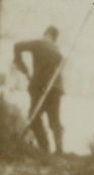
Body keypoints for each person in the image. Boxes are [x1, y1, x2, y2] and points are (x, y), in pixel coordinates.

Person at [12, 26, 65, 154]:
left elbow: (17, 46)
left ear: (46, 35)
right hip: (56, 89)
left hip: (41, 87)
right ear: (55, 38)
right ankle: (59, 149)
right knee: (54, 119)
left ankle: (44, 147)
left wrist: (21, 65)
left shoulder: (39, 43)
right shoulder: (58, 53)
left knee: (33, 116)